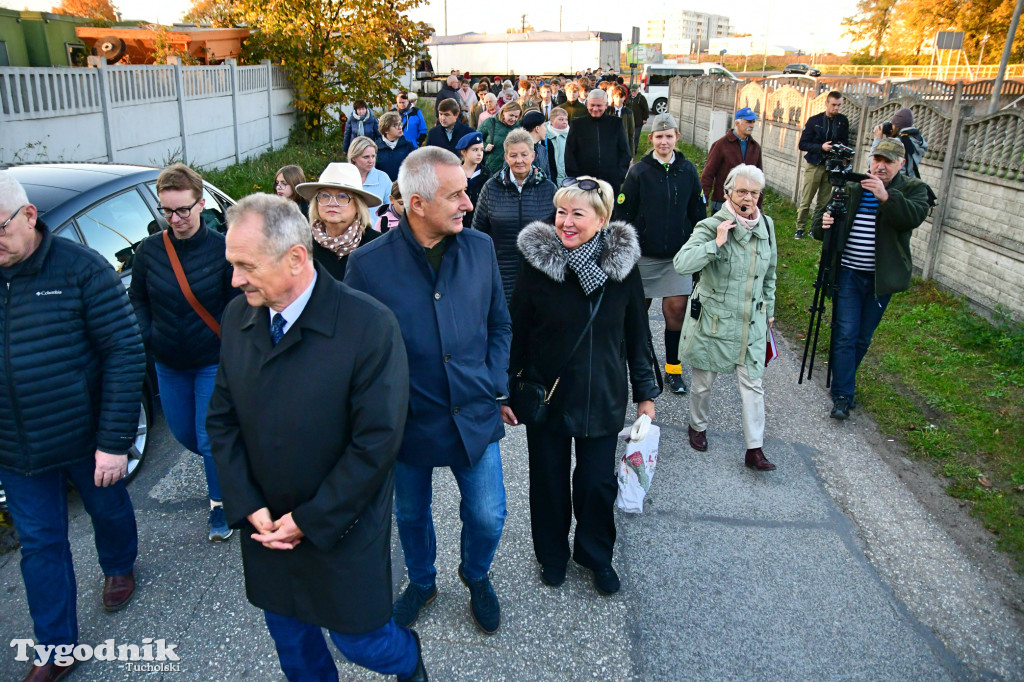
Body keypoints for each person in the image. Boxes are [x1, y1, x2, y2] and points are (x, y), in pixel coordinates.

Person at [208, 194, 426, 682]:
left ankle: (410, 662)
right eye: (232, 264)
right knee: (295, 649)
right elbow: (222, 422)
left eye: (246, 266)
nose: (234, 279)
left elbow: (377, 443)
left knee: (362, 642)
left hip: (341, 527)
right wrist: (246, 504)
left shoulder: (369, 326)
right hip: (268, 531)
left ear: (296, 258)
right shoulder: (237, 319)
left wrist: (310, 519)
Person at [345, 147, 512, 637]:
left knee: (488, 514)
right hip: (406, 422)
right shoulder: (368, 266)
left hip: (473, 411)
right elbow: (355, 353)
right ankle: (421, 581)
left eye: (466, 190)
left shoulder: (480, 248)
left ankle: (475, 574)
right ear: (416, 204)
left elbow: (500, 323)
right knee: (411, 514)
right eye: (455, 194)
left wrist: (496, 384)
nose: (467, 201)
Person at [0, 171, 146, 682]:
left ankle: (120, 563)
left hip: (86, 438)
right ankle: (57, 648)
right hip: (17, 448)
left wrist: (113, 442)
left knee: (107, 508)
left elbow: (125, 352)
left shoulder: (80, 269)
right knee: (41, 545)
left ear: (29, 217)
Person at [506, 175, 659, 595]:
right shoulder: (537, 265)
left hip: (603, 394)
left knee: (596, 484)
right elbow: (516, 328)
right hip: (548, 395)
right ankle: (552, 555)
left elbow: (637, 334)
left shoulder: (622, 269)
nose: (566, 222)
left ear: (602, 218)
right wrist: (505, 389)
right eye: (561, 212)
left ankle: (595, 555)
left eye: (577, 213)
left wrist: (645, 394)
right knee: (549, 482)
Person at [129, 163, 240, 542]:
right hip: (169, 362)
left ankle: (220, 504)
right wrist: (150, 335)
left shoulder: (223, 248)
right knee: (185, 433)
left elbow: (237, 300)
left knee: (208, 437)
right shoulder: (148, 252)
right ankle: (229, 461)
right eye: (167, 211)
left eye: (183, 210)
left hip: (211, 360)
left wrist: (225, 341)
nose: (175, 219)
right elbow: (138, 298)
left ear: (201, 202)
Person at [812, 139, 931, 420]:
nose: (880, 166)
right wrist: (825, 223)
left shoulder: (914, 189)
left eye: (888, 161)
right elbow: (819, 226)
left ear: (901, 164)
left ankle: (843, 378)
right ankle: (842, 395)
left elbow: (913, 217)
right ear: (870, 160)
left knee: (862, 338)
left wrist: (886, 197)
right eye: (877, 159)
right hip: (848, 274)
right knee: (844, 334)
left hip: (880, 280)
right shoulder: (852, 185)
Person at [674, 164, 778, 471]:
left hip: (751, 321)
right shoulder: (710, 225)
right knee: (704, 382)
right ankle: (697, 425)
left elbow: (769, 274)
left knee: (753, 385)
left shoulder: (767, 226)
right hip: (715, 319)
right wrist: (715, 244)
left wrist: (769, 310)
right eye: (742, 191)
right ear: (727, 192)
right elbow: (682, 263)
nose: (748, 198)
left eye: (754, 192)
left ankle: (754, 449)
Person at [613, 113, 706, 395]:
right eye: (658, 136)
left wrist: (698, 247)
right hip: (645, 256)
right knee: (637, 314)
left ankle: (674, 370)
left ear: (677, 137)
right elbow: (623, 213)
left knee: (676, 310)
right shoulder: (639, 172)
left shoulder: (688, 170)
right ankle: (635, 368)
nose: (664, 141)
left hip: (677, 257)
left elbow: (698, 212)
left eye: (669, 136)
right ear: (651, 139)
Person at [473, 128, 557, 305]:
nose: (519, 160)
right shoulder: (491, 188)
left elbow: (558, 235)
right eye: (513, 155)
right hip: (500, 276)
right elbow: (478, 233)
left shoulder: (549, 189)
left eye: (524, 155)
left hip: (539, 277)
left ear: (533, 156)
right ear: (506, 157)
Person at [295, 162, 381, 281]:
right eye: (325, 195)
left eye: (342, 196)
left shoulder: (377, 245)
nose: (332, 203)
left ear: (358, 205)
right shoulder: (302, 244)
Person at [795, 90, 850, 239]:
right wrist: (821, 147)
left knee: (823, 201)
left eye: (839, 105)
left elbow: (846, 142)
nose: (836, 108)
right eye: (833, 105)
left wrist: (841, 150)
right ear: (826, 103)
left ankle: (815, 228)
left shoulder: (842, 121)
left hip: (831, 166)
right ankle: (800, 228)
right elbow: (802, 144)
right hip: (814, 164)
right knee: (806, 199)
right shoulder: (815, 121)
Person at [565, 89, 632, 193]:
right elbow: (569, 153)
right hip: (584, 183)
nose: (595, 109)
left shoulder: (616, 124)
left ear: (606, 105)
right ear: (587, 104)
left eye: (599, 105)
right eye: (592, 105)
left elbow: (625, 152)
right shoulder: (577, 124)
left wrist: (619, 176)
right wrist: (576, 178)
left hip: (611, 183)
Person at [701, 107, 764, 215]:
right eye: (748, 121)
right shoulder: (721, 145)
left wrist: (757, 205)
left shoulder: (755, 147)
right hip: (722, 202)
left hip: (746, 203)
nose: (752, 125)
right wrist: (703, 201)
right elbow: (708, 174)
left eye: (753, 122)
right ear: (737, 123)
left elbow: (759, 178)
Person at [871, 107, 928, 179]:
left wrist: (877, 139)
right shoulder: (916, 140)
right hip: (909, 182)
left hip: (894, 183)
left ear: (895, 126)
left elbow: (872, 164)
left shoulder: (897, 142)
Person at [457, 131, 491, 232]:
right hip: (458, 223)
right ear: (464, 151)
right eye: (475, 150)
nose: (479, 153)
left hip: (480, 226)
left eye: (481, 150)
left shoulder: (486, 175)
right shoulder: (455, 174)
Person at [479, 101, 522, 175]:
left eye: (516, 117)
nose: (513, 119)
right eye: (511, 115)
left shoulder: (518, 127)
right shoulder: (490, 123)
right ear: (503, 112)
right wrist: (485, 146)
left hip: (511, 170)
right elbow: (476, 140)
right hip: (491, 169)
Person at [348, 135, 392, 205]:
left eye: (373, 156)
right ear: (353, 157)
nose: (371, 161)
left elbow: (393, 208)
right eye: (366, 157)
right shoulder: (343, 178)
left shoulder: (383, 178)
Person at [376, 111, 416, 181]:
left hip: (403, 187)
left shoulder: (408, 146)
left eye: (400, 124)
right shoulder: (375, 148)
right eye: (395, 125)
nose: (400, 127)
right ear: (386, 130)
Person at [520, 110, 553, 178]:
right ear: (537, 129)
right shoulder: (517, 150)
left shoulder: (542, 150)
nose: (546, 129)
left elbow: (547, 175)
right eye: (544, 126)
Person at [545, 107, 570, 187]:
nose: (564, 122)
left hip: (568, 179)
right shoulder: (545, 136)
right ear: (552, 121)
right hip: (550, 178)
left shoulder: (571, 135)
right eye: (561, 119)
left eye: (566, 119)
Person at [628, 83, 650, 154]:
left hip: (638, 121)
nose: (633, 92)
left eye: (634, 91)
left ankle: (634, 150)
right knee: (629, 135)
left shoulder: (641, 98)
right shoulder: (629, 98)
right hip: (629, 121)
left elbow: (646, 109)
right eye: (632, 91)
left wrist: (645, 118)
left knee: (636, 136)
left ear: (637, 91)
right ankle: (629, 149)